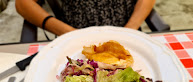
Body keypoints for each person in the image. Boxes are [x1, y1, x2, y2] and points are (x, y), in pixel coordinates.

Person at [15, 0, 155, 36]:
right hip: (75, 38)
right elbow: (22, 4)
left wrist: (129, 30)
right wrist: (70, 33)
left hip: (127, 34)